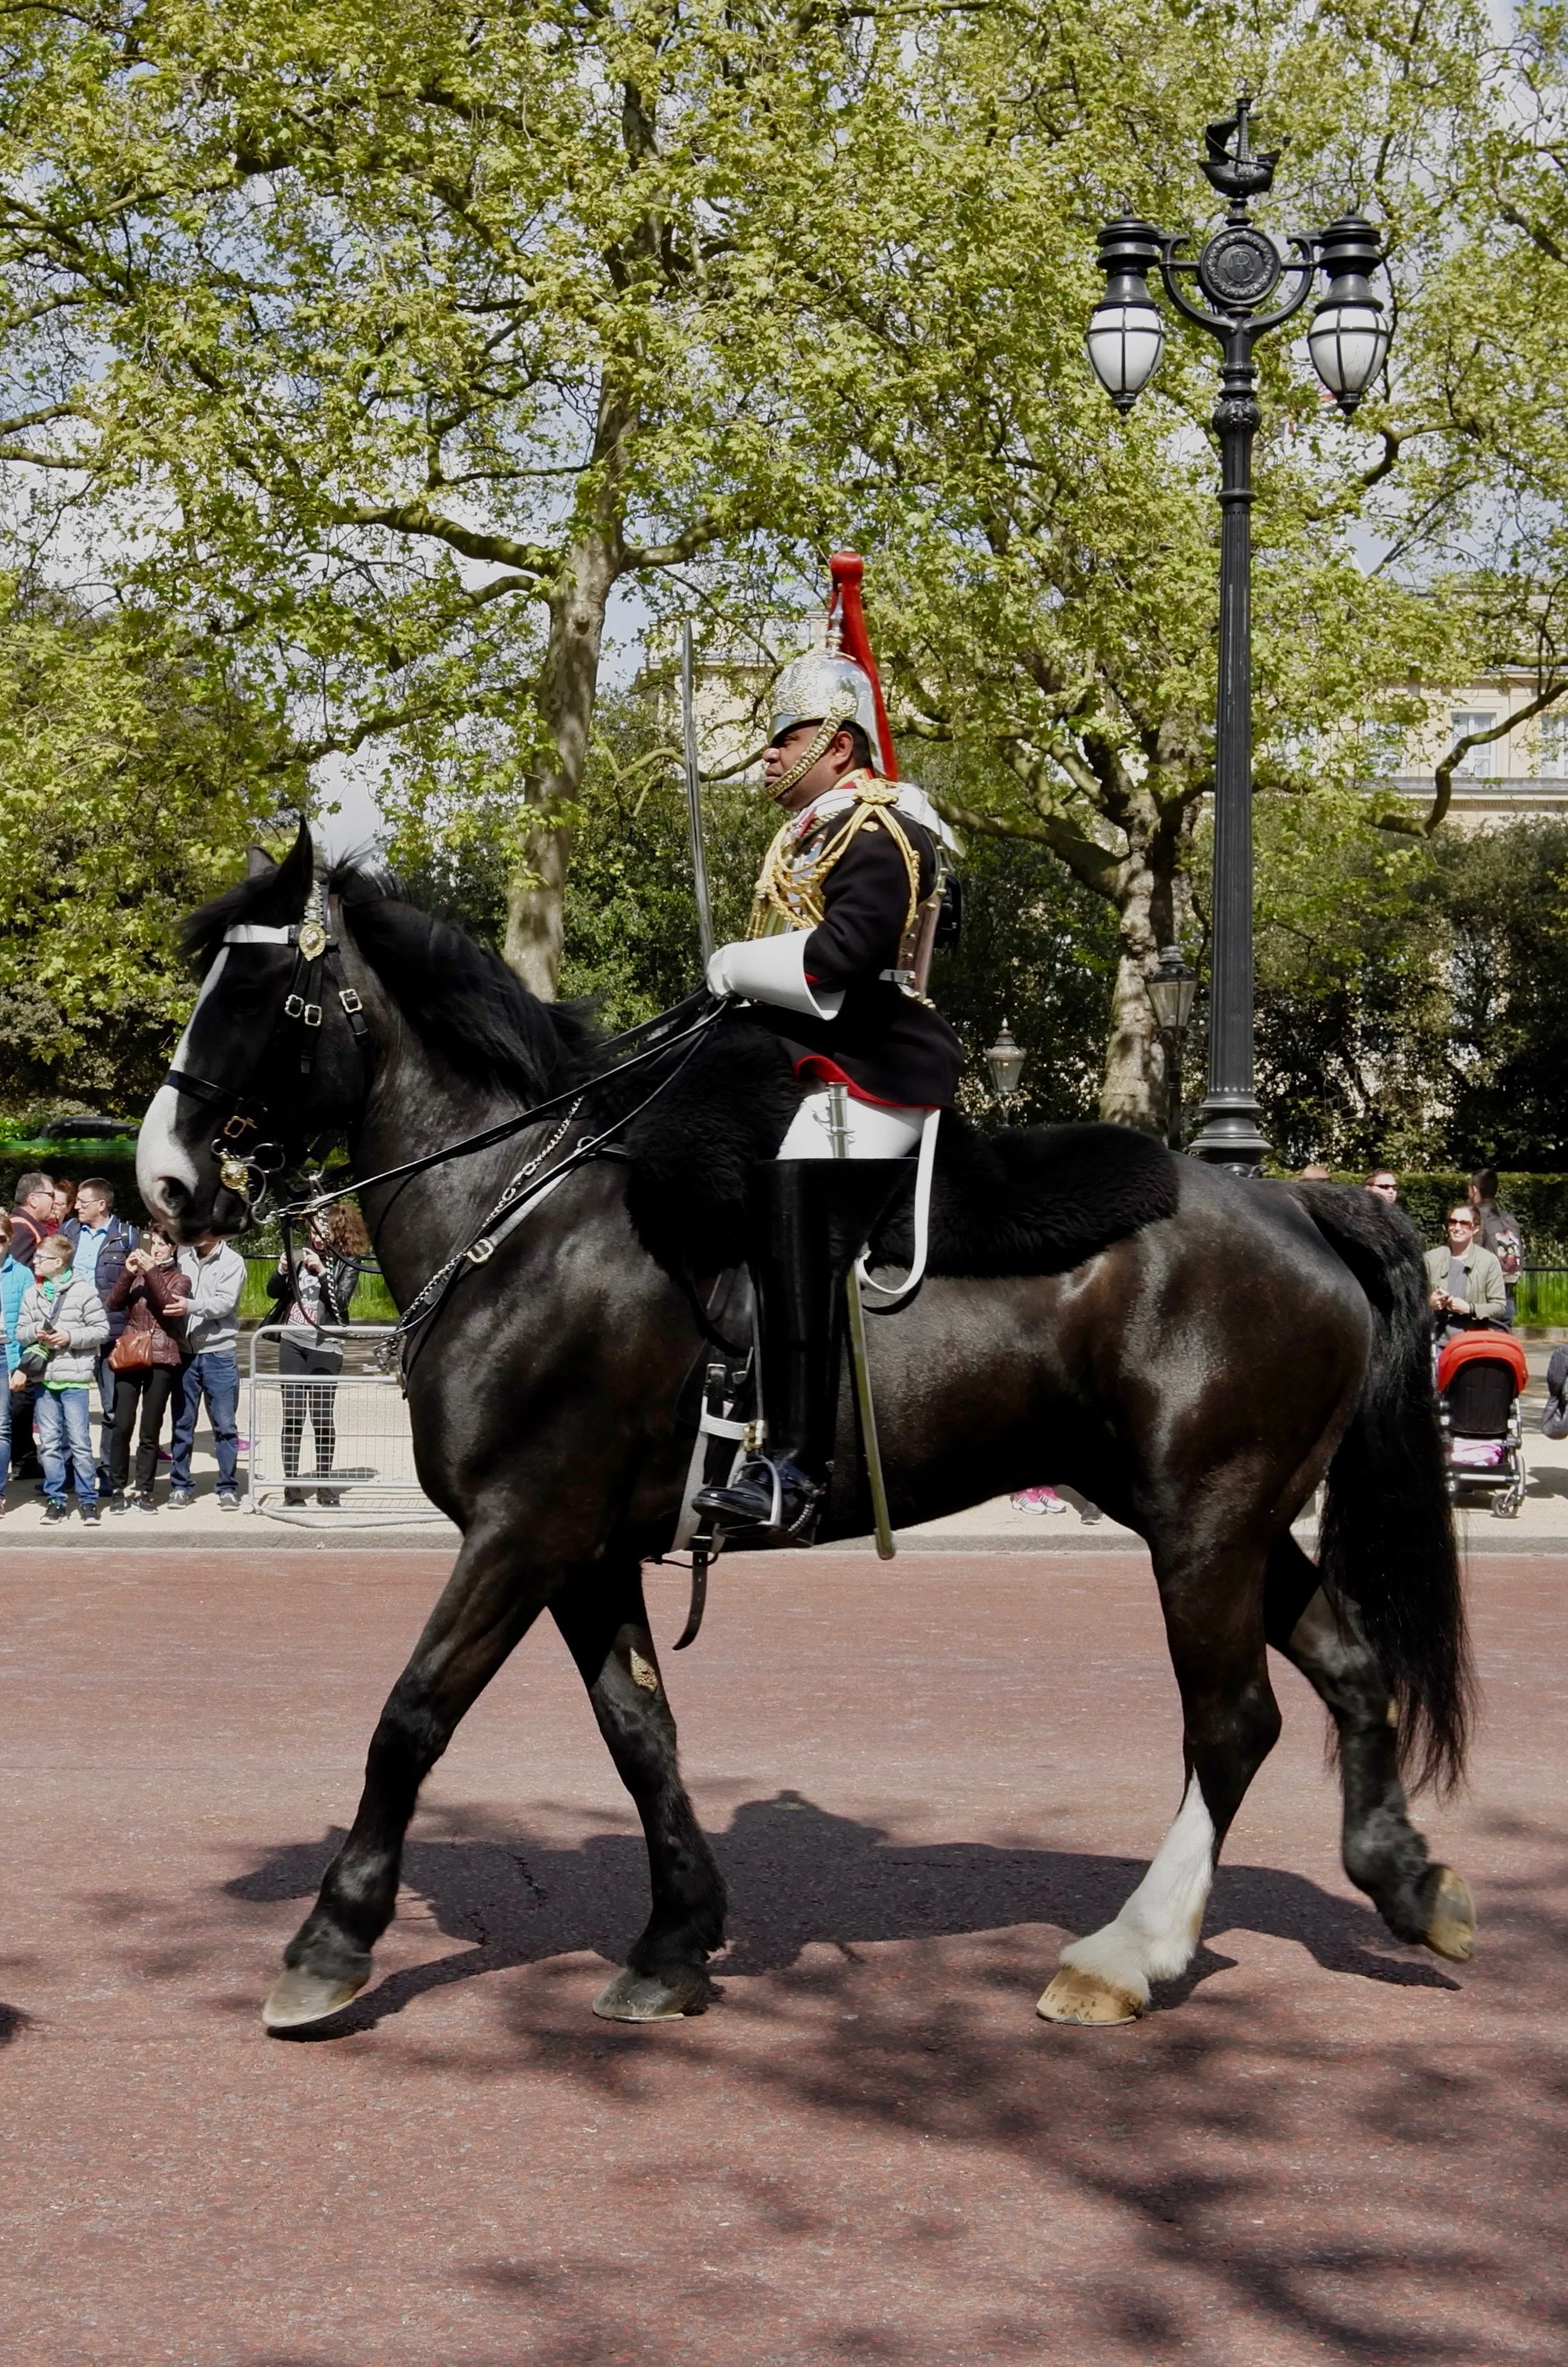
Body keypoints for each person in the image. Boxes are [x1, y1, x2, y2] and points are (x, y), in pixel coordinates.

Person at [693, 553, 963, 1543]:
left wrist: (735, 964)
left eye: (785, 736)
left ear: (840, 746)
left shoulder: (877, 828)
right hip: (813, 1062)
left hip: (875, 1065)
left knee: (792, 1204)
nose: (766, 754)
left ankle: (796, 1466)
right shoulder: (814, 833)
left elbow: (847, 956)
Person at [265, 1205, 367, 1505]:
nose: (318, 1239)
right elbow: (273, 1292)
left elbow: (342, 1302)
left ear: (337, 1232)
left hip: (326, 1346)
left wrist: (323, 1273)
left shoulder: (347, 1261)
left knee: (322, 1418)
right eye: (313, 1233)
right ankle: (291, 1487)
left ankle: (324, 1484)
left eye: (324, 1233)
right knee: (293, 1416)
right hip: (293, 1341)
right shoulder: (299, 1256)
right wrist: (282, 1269)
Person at [15, 1231, 108, 1522]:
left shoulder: (84, 1292)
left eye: (41, 1258)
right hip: (44, 1378)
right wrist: (35, 1333)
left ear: (58, 1262)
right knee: (50, 1442)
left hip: (74, 1379)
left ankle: (88, 1500)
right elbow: (21, 1330)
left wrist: (69, 1336)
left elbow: (101, 1330)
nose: (34, 1261)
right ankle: (56, 1500)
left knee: (80, 1441)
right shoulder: (34, 1293)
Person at [102, 1227, 190, 1512]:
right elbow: (113, 1303)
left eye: (162, 1245)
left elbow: (168, 1305)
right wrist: (128, 1272)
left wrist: (152, 1272)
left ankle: (144, 1491)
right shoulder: (137, 1275)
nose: (155, 1249)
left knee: (150, 1429)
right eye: (153, 1243)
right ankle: (117, 1488)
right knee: (122, 1424)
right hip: (130, 1353)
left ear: (173, 1249)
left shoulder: (181, 1279)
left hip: (162, 1356)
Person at [168, 1228, 247, 1509]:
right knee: (182, 1423)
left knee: (225, 1425)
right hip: (185, 1354)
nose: (199, 1234)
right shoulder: (182, 1255)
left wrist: (190, 1306)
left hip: (219, 1353)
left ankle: (227, 1487)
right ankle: (180, 1485)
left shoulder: (233, 1261)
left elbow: (224, 1304)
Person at [64, 1178, 139, 1437]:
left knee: (111, 1406)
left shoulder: (127, 1236)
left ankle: (109, 1470)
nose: (77, 1207)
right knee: (68, 1403)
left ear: (102, 1204)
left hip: (110, 1332)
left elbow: (137, 1286)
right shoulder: (69, 1231)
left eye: (83, 1203)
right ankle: (71, 1468)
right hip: (71, 1331)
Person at [1424, 1205, 1508, 1343]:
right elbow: (1412, 1305)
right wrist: (1430, 1303)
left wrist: (1470, 1308)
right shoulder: (1430, 1259)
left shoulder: (1488, 1261)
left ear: (1475, 1228)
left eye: (1464, 1224)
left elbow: (1499, 1306)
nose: (1457, 1228)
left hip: (1473, 1342)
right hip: (1436, 1341)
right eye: (1453, 1222)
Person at [1468, 1168, 1524, 1323]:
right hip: (1508, 1297)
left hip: (1482, 1301)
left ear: (1474, 1190)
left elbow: (1468, 1256)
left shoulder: (1474, 1218)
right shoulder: (1510, 1220)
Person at [7, 1172, 56, 1269]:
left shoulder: (23, 1225)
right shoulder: (21, 1229)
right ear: (33, 1200)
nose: (56, 1201)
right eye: (52, 1195)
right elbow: (14, 1275)